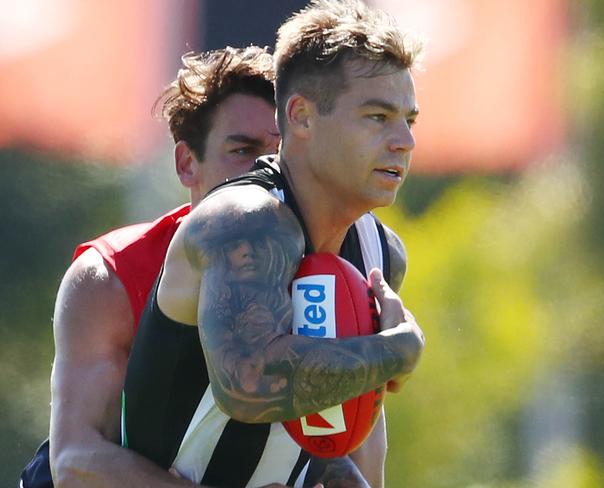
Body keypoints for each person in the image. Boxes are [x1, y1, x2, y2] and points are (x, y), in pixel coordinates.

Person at [19, 43, 403, 487]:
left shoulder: (355, 258)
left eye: (280, 152)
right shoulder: (111, 276)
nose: (266, 168)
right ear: (187, 163)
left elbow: (351, 444)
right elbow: (78, 463)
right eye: (243, 150)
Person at [121, 1, 424, 487]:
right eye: (377, 116)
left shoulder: (379, 253)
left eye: (409, 118)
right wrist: (396, 351)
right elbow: (250, 384)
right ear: (301, 117)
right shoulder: (247, 221)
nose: (404, 140)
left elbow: (325, 426)